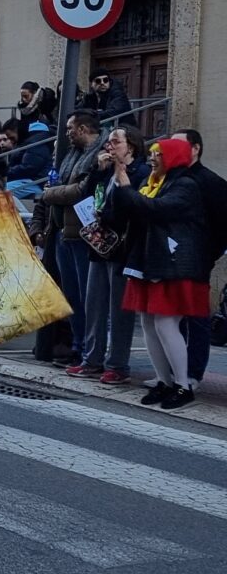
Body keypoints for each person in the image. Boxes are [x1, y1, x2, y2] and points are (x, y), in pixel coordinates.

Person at [112, 138, 209, 410]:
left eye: (158, 154)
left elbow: (154, 210)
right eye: (152, 153)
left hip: (174, 264)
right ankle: (164, 382)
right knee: (148, 323)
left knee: (166, 323)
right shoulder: (152, 183)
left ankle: (183, 385)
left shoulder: (185, 185)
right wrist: (118, 182)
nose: (152, 158)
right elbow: (130, 208)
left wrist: (125, 182)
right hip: (149, 261)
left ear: (173, 157)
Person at [66, 126, 149, 383]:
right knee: (94, 304)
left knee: (119, 310)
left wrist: (109, 213)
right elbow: (88, 194)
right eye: (108, 143)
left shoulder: (140, 172)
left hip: (123, 248)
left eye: (115, 142)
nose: (109, 147)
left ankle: (118, 365)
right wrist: (96, 170)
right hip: (99, 245)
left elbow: (135, 205)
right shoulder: (105, 171)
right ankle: (91, 359)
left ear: (130, 146)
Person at [40, 110, 105, 365]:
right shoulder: (72, 154)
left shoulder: (98, 156)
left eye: (70, 128)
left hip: (84, 233)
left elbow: (81, 190)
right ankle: (78, 345)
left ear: (83, 129)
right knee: (72, 295)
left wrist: (50, 193)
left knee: (88, 295)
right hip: (62, 231)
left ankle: (91, 349)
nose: (67, 133)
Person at [170, 128, 227, 389]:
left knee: (196, 317)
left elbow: (221, 225)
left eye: (179, 146)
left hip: (197, 259)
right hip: (170, 257)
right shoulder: (170, 178)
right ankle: (173, 371)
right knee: (170, 317)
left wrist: (207, 255)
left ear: (195, 149)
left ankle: (193, 372)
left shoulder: (212, 183)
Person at [4, 119, 52, 199]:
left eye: (12, 138)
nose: (11, 141)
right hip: (31, 181)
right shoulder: (30, 141)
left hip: (35, 182)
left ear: (17, 130)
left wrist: (6, 173)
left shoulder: (35, 143)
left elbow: (28, 167)